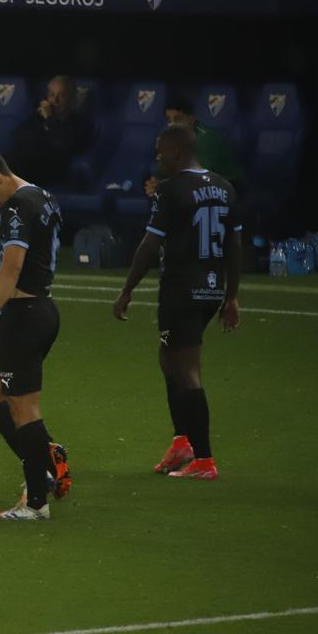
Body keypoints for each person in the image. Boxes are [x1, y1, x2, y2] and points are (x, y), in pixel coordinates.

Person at [114, 124, 243, 481]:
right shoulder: (224, 186)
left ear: (174, 152)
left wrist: (127, 289)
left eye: (159, 151)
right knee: (169, 358)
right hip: (211, 290)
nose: (157, 158)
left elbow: (149, 245)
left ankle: (203, 459)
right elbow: (234, 245)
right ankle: (182, 442)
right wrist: (231, 295)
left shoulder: (171, 191)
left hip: (181, 289)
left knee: (185, 370)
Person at [0, 151, 71, 521]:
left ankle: (36, 501)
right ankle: (47, 461)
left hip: (25, 314)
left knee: (23, 408)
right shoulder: (42, 195)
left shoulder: (15, 206)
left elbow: (10, 268)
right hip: (42, 309)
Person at [144, 96, 246, 198]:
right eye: (169, 120)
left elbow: (198, 178)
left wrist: (164, 186)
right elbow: (161, 171)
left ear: (191, 119)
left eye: (178, 119)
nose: (172, 124)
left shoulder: (207, 138)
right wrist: (154, 183)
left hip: (229, 188)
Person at [10, 75, 91, 189]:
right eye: (52, 95)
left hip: (56, 171)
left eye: (61, 96)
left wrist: (50, 119)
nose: (55, 101)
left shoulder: (81, 122)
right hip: (29, 167)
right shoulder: (38, 117)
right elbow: (17, 138)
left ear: (72, 99)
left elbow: (64, 145)